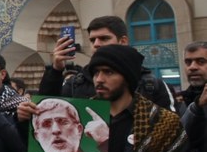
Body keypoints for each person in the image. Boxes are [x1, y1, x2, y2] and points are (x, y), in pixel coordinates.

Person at [39, 16, 172, 109]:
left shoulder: (150, 84)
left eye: (104, 38)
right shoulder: (76, 84)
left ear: (123, 41)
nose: (97, 44)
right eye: (92, 40)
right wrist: (56, 70)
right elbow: (47, 108)